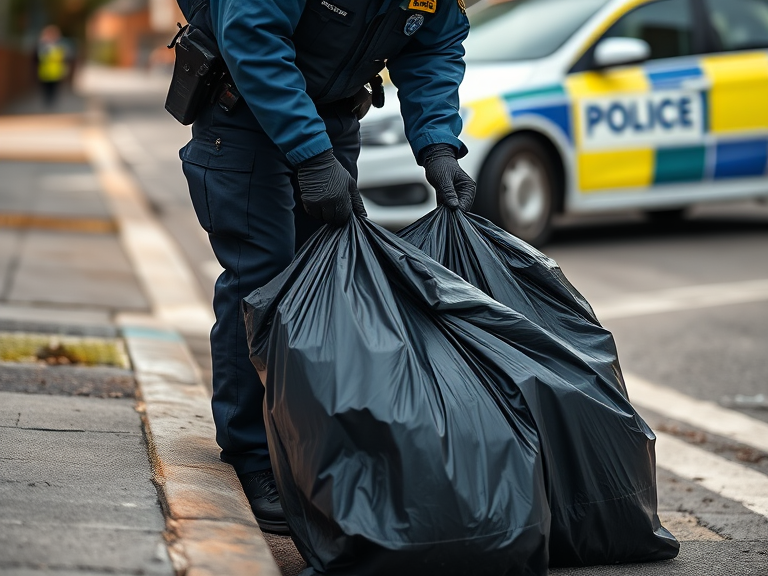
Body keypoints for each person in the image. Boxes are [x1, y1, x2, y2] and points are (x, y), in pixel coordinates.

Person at [180, 0, 476, 535]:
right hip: (244, 114)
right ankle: (252, 456)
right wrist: (312, 156)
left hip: (330, 120)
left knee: (324, 289)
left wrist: (437, 146)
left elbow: (432, 46)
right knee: (263, 283)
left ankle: (305, 449)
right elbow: (252, 36)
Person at [36, 25, 70, 108]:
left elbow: (65, 58)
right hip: (45, 71)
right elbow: (37, 57)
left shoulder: (60, 45)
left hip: (56, 72)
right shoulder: (42, 45)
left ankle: (51, 102)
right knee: (46, 89)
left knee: (54, 89)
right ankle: (47, 102)